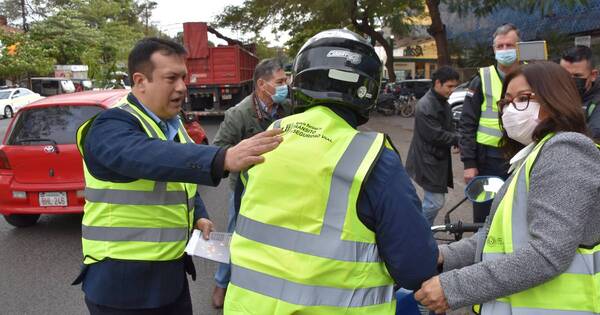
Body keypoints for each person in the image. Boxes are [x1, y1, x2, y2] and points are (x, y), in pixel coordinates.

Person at [223, 29, 438, 314]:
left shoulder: (264, 141)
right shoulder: (373, 158)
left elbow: (243, 218)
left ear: (301, 80)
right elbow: (415, 268)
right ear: (368, 89)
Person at [72, 37, 283, 315]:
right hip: (122, 287)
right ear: (140, 81)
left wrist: (198, 213)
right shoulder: (110, 125)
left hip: (169, 280)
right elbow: (146, 157)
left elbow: (179, 178)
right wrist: (224, 158)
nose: (182, 87)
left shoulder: (172, 125)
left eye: (184, 77)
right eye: (171, 78)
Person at [415, 62, 600, 314]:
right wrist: (443, 255)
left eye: (523, 98)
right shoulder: (533, 156)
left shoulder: (565, 150)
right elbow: (495, 240)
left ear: (555, 98)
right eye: (506, 102)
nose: (511, 109)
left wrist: (453, 287)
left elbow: (547, 254)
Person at [210, 58, 292, 308]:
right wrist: (242, 154)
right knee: (236, 235)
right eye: (280, 82)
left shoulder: (288, 109)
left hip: (279, 186)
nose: (285, 86)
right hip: (244, 190)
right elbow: (218, 152)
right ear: (261, 84)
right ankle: (221, 283)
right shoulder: (239, 114)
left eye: (285, 80)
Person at [460, 23, 522, 223]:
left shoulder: (532, 76)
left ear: (519, 47)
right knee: (485, 216)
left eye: (509, 45)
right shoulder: (481, 79)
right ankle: (482, 254)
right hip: (488, 159)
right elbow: (467, 123)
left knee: (517, 212)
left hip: (522, 156)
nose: (504, 50)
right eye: (500, 46)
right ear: (494, 50)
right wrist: (469, 164)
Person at [406, 66, 460, 226]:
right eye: (450, 86)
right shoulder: (426, 105)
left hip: (434, 158)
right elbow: (436, 135)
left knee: (433, 201)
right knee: (435, 202)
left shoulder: (441, 101)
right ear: (438, 83)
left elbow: (448, 127)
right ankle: (419, 231)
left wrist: (456, 138)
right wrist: (459, 139)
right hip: (427, 159)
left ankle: (419, 231)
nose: (453, 90)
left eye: (455, 86)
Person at [560, 45, 600, 140]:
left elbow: (594, 134)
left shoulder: (596, 102)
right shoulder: (554, 94)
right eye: (564, 74)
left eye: (577, 75)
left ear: (593, 75)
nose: (569, 80)